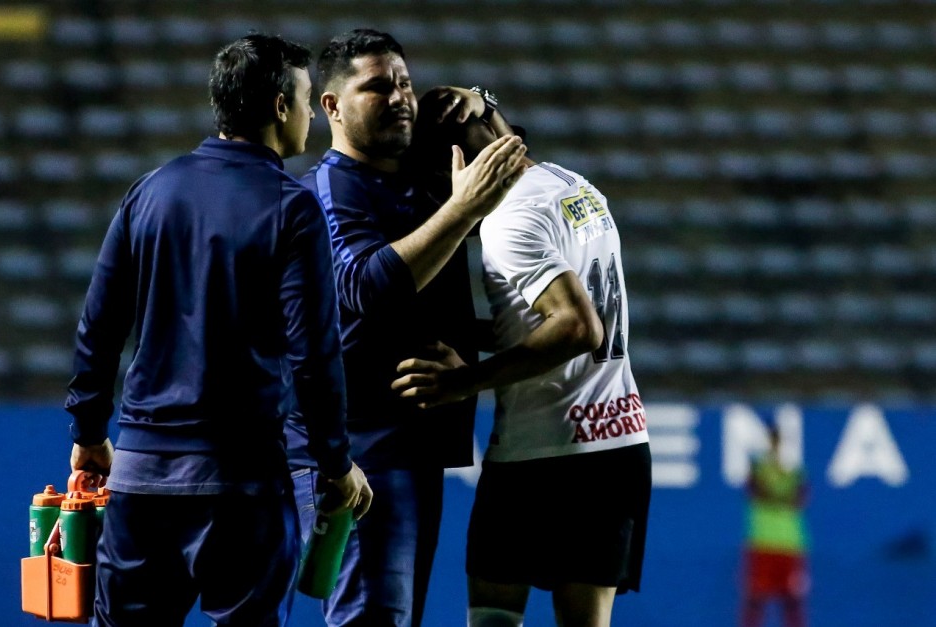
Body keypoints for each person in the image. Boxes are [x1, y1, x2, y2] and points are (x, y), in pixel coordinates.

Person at [63, 34, 371, 627]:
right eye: (307, 99)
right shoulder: (291, 206)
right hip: (242, 489)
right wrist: (335, 465)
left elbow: (98, 327)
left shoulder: (148, 192)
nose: (311, 114)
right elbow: (313, 354)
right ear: (281, 107)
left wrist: (88, 429)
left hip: (140, 480)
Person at [284, 28, 526, 627]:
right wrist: (461, 208)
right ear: (331, 106)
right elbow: (366, 287)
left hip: (409, 447)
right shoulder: (331, 189)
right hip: (361, 452)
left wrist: (479, 102)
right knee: (371, 619)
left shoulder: (416, 173)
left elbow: (518, 173)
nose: (399, 98)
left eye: (405, 83)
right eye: (376, 87)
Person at [392, 87, 652, 627]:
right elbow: (551, 320)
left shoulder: (507, 221)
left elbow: (578, 326)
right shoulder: (571, 184)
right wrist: (468, 334)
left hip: (544, 449)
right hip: (617, 443)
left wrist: (464, 382)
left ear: (455, 163)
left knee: (491, 620)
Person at [740, 423, 810, 627]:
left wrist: (778, 494)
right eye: (771, 440)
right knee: (756, 601)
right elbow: (756, 490)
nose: (775, 445)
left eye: (777, 440)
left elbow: (800, 498)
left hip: (789, 544)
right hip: (762, 542)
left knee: (793, 603)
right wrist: (780, 495)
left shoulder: (795, 471)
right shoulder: (758, 468)